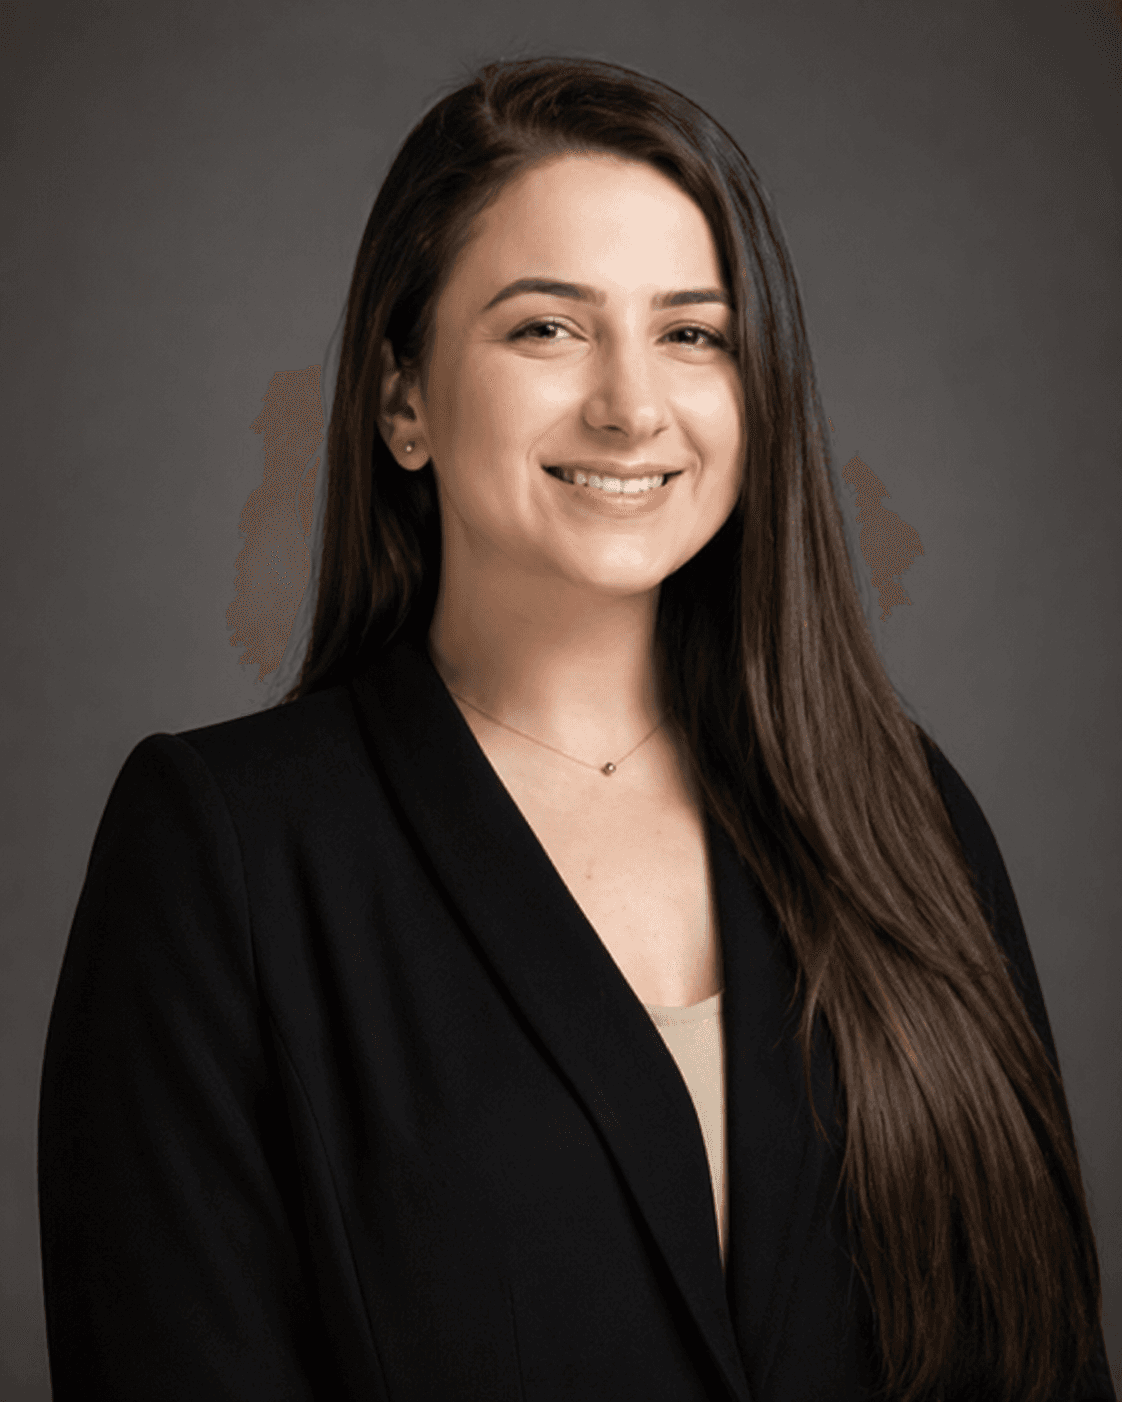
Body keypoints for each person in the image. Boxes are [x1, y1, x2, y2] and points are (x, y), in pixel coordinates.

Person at [38, 54, 1115, 1402]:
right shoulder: (225, 852)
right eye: (545, 328)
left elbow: (1047, 1357)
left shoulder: (903, 810)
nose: (630, 403)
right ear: (403, 402)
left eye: (693, 332)